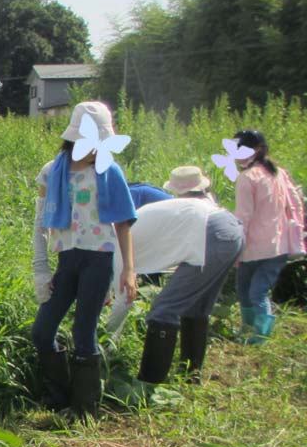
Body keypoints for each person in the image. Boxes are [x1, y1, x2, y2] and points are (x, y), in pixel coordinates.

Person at [30, 101, 138, 416]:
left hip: (98, 260)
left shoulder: (109, 171)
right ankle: (58, 397)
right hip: (68, 260)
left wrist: (128, 270)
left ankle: (85, 408)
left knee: (83, 331)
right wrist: (40, 269)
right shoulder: (52, 172)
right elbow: (40, 224)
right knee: (42, 331)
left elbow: (123, 222)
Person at [105, 167, 245, 384]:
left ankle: (149, 383)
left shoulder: (114, 242)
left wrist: (106, 342)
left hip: (210, 234)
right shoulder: (174, 208)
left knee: (163, 310)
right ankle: (191, 376)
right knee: (196, 308)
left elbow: (124, 299)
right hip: (231, 229)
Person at [232, 129, 305, 343]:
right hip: (277, 244)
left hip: (253, 245)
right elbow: (296, 202)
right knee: (252, 290)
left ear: (258, 150)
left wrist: (235, 244)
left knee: (252, 292)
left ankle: (258, 335)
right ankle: (253, 331)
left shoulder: (247, 178)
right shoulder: (278, 172)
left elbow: (243, 217)